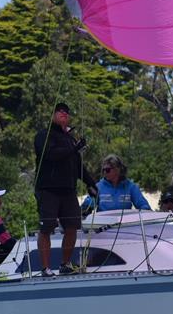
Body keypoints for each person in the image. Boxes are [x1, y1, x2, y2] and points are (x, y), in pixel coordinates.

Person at [34, 103, 98, 277]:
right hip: (47, 189)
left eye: (66, 112)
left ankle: (65, 264)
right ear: (53, 115)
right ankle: (45, 268)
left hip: (68, 190)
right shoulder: (43, 135)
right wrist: (75, 148)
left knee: (72, 227)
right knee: (47, 227)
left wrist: (91, 183)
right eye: (60, 111)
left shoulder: (70, 140)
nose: (63, 113)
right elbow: (51, 154)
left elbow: (78, 166)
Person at [80, 154, 151, 213]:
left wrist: (144, 211)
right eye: (103, 170)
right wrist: (86, 209)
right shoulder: (98, 187)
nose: (104, 172)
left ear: (117, 169)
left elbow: (144, 206)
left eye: (107, 170)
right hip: (103, 227)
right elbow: (87, 206)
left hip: (125, 226)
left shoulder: (130, 187)